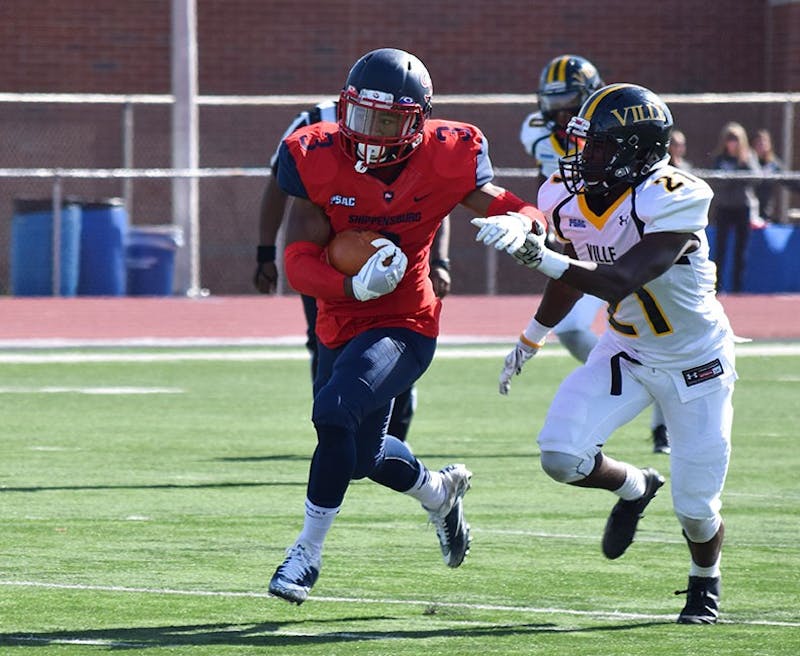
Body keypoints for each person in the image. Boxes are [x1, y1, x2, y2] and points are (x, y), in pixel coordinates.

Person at [267, 47, 546, 605]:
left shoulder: (449, 155)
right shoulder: (314, 154)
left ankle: (305, 555)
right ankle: (439, 493)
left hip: (406, 322)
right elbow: (295, 260)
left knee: (332, 411)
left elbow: (517, 208)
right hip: (340, 320)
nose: (369, 132)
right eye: (361, 115)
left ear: (416, 122)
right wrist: (350, 286)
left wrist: (524, 228)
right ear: (344, 109)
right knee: (362, 457)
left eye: (386, 120)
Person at [473, 83, 737, 624]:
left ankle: (704, 580)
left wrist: (536, 257)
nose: (580, 157)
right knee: (561, 456)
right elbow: (575, 273)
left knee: (696, 510)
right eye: (580, 144)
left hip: (696, 363)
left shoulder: (673, 194)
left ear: (636, 150)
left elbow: (619, 280)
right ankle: (637, 486)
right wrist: (531, 336)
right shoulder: (563, 194)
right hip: (627, 351)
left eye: (596, 147)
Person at [254, 99, 452, 442]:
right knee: (326, 342)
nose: (374, 127)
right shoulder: (314, 125)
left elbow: (437, 199)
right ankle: (336, 434)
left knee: (394, 346)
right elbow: (280, 184)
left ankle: (389, 436)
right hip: (331, 261)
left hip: (394, 264)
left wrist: (439, 260)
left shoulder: (411, 134)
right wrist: (265, 253)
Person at [520, 54, 670, 454]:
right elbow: (548, 182)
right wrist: (546, 228)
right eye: (552, 103)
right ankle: (626, 386)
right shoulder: (537, 133)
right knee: (569, 328)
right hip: (588, 235)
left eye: (568, 103)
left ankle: (662, 420)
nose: (558, 113)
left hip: (631, 240)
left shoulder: (624, 125)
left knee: (665, 331)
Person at [709, 122, 760, 292]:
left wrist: (743, 165)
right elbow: (715, 181)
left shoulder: (748, 157)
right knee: (721, 249)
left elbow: (757, 179)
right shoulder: (719, 159)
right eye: (729, 138)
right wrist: (730, 181)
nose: (732, 142)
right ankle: (716, 288)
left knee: (741, 251)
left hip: (742, 208)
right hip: (724, 207)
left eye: (736, 139)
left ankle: (737, 289)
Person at [751, 128, 783, 222]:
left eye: (764, 142)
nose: (762, 145)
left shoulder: (773, 164)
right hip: (749, 205)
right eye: (758, 142)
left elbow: (788, 180)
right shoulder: (748, 161)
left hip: (766, 207)